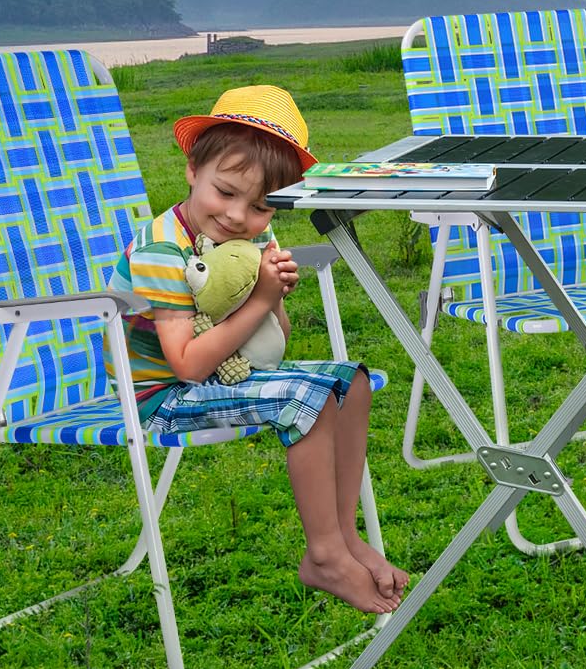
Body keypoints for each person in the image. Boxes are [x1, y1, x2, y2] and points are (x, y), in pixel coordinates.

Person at [109, 84, 407, 615]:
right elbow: (186, 364)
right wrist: (261, 298)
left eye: (261, 207)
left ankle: (344, 536)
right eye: (224, 192)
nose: (237, 216)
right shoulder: (160, 249)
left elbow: (274, 346)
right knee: (306, 401)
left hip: (228, 373)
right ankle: (324, 556)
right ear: (192, 170)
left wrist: (275, 298)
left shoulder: (256, 245)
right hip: (160, 395)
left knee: (353, 381)